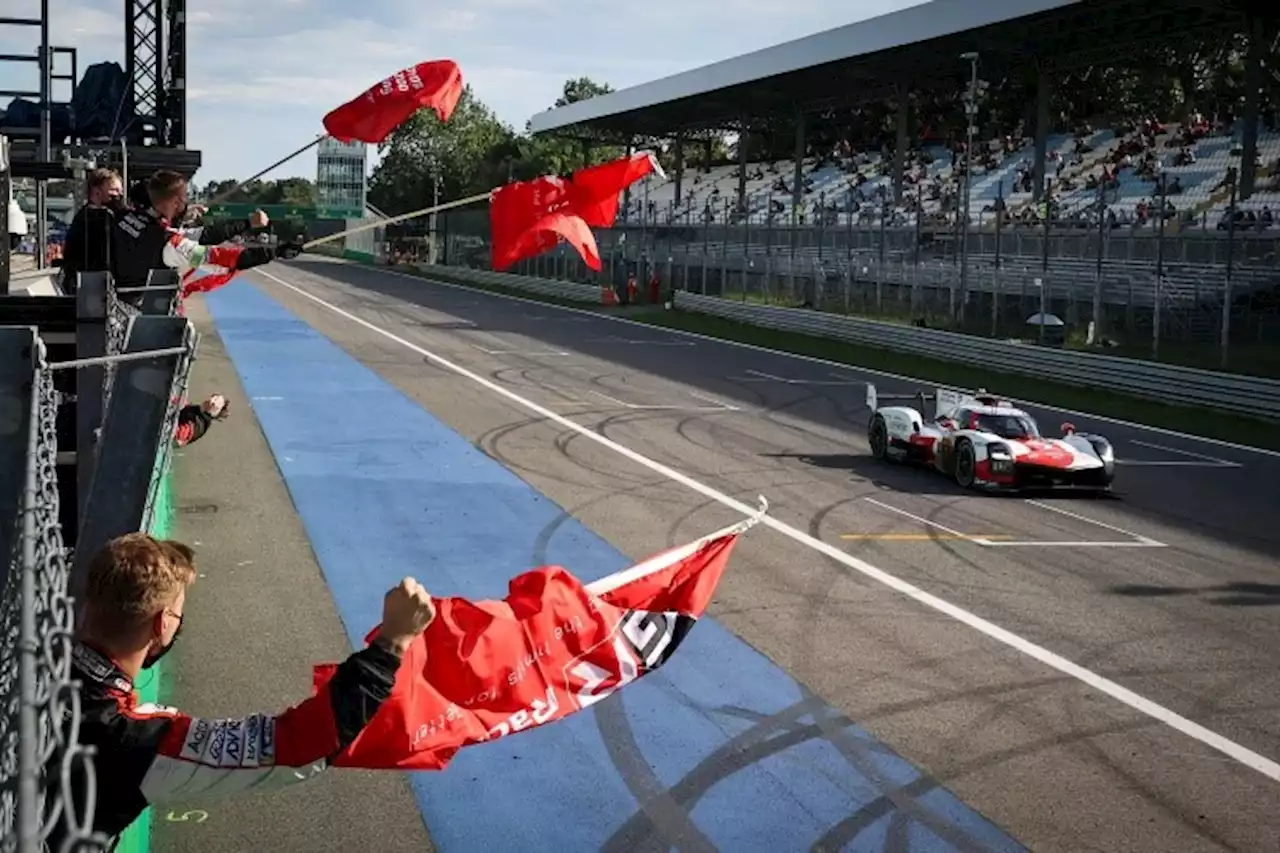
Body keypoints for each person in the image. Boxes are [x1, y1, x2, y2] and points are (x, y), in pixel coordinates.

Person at [52, 533, 435, 847]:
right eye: (178, 611)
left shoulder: (37, 655)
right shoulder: (133, 737)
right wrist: (391, 645)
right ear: (161, 625)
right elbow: (293, 746)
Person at [111, 169, 293, 289]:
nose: (187, 204)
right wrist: (276, 252)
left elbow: (203, 235)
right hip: (137, 312)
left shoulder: (125, 217)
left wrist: (247, 223)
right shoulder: (167, 242)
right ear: (175, 202)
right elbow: (217, 257)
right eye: (185, 200)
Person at [59, 168, 125, 293]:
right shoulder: (95, 218)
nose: (118, 195)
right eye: (114, 190)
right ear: (96, 191)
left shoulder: (88, 216)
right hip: (91, 286)